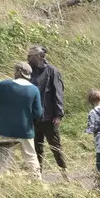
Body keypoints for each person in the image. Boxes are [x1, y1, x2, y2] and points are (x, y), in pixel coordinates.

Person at [26, 44, 66, 175]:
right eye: (29, 57)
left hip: (49, 117)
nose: (29, 59)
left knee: (56, 147)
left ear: (39, 57)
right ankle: (38, 176)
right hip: (33, 118)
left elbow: (58, 93)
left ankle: (64, 173)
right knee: (36, 149)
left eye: (31, 57)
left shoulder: (52, 71)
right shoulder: (28, 72)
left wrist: (59, 114)